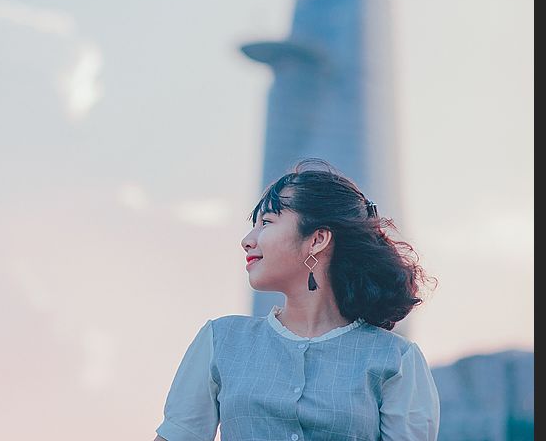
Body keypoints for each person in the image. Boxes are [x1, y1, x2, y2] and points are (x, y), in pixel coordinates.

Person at [154, 158, 440, 441]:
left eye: (266, 222)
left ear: (317, 240)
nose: (247, 240)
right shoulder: (220, 340)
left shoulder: (397, 359)